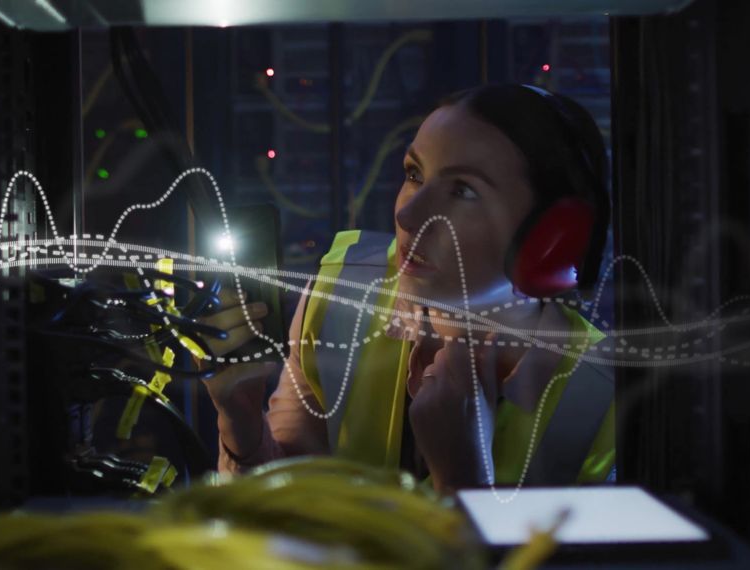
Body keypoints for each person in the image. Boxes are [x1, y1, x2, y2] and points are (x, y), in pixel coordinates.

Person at [198, 84, 615, 494]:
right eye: (415, 174)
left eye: (463, 191)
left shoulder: (604, 399)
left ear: (550, 241)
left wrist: (461, 480)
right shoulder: (342, 296)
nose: (408, 213)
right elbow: (284, 507)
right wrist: (240, 422)